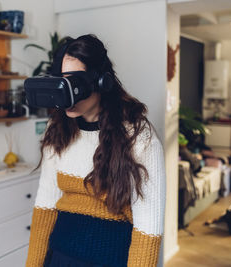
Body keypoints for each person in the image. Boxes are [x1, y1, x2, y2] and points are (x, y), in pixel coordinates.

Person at [25, 34, 166, 267]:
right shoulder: (57, 130)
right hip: (59, 258)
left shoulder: (138, 135)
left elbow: (148, 226)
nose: (67, 96)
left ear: (102, 82)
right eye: (61, 82)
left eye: (74, 83)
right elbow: (45, 206)